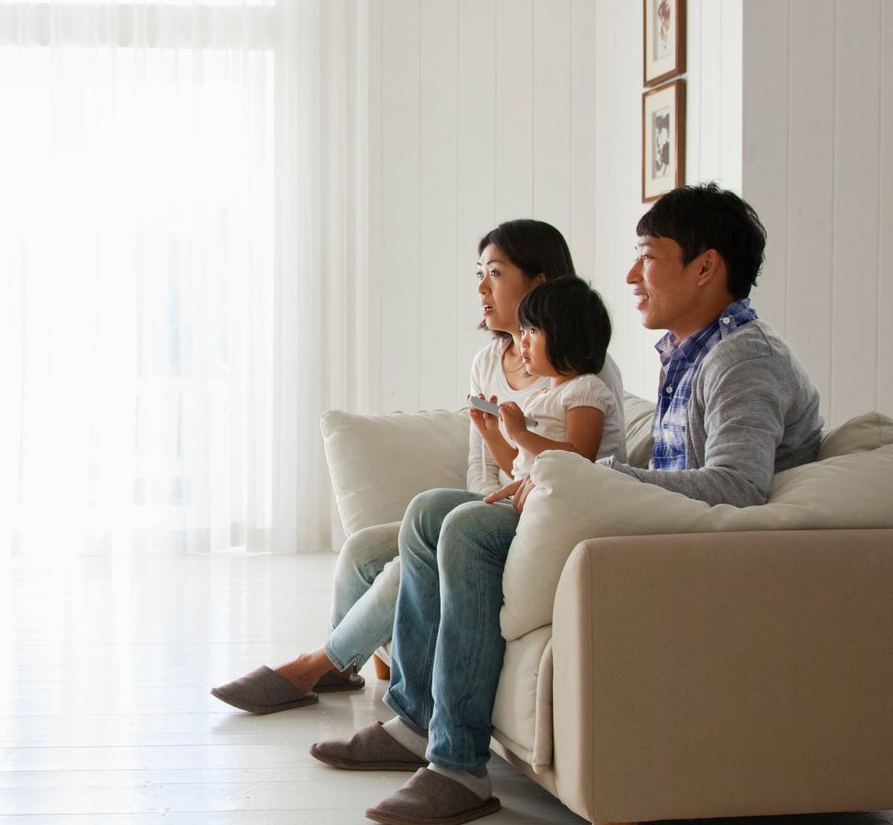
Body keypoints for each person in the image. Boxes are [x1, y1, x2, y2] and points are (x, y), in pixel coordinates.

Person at [310, 184, 823, 825]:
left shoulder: (741, 360)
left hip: (687, 550)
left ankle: (457, 766)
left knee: (467, 530)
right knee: (430, 512)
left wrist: (592, 479)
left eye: (647, 256)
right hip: (652, 523)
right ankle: (413, 719)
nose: (631, 276)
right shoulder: (693, 354)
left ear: (704, 267)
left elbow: (737, 488)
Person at [210, 221, 625, 715]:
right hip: (496, 501)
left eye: (495, 273)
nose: (481, 288)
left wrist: (506, 474)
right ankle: (342, 667)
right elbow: (481, 465)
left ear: (538, 283)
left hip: (546, 514)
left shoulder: (583, 369)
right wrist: (491, 479)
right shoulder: (489, 361)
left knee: (416, 553)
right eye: (479, 273)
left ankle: (312, 666)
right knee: (364, 549)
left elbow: (583, 463)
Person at [475, 276, 620, 482]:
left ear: (569, 336)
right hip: (531, 502)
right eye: (523, 330)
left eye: (533, 331)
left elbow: (579, 458)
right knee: (431, 502)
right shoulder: (540, 397)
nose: (523, 340)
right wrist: (491, 434)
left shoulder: (586, 389)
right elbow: (519, 469)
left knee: (461, 514)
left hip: (563, 508)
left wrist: (521, 434)